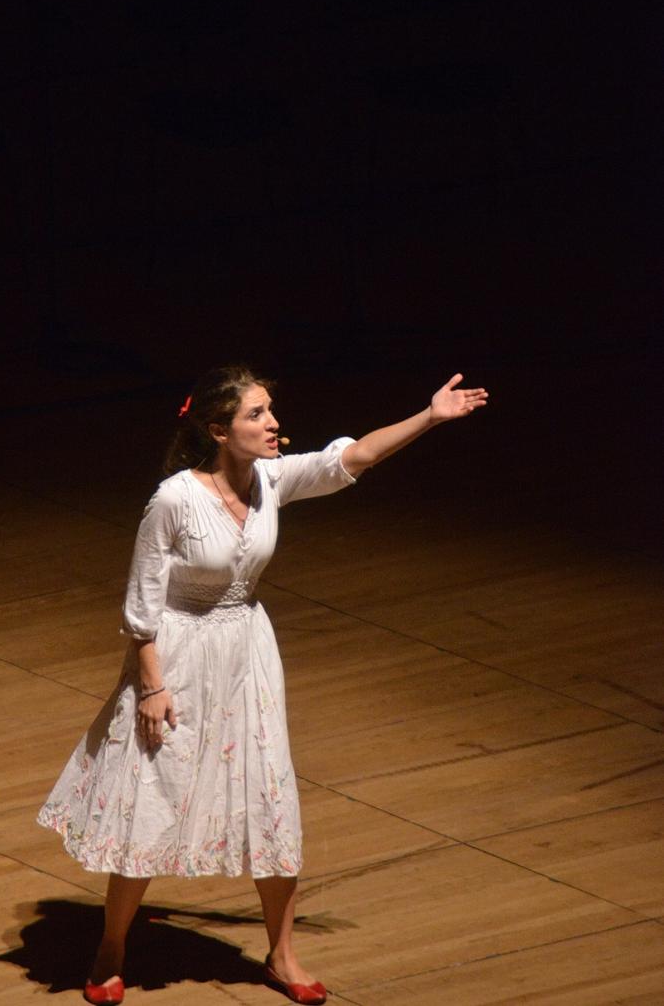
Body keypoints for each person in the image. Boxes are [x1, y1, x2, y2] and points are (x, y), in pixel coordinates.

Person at [38, 365, 488, 1005]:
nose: (274, 423)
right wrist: (153, 687)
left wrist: (430, 416)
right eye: (257, 414)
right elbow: (141, 605)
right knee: (154, 793)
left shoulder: (272, 481)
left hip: (248, 652)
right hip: (179, 654)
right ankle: (112, 945)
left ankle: (282, 952)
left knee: (268, 791)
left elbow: (352, 457)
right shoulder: (174, 499)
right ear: (220, 430)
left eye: (271, 411)